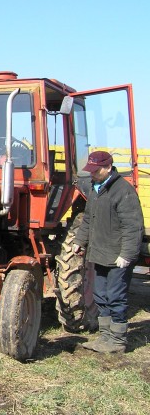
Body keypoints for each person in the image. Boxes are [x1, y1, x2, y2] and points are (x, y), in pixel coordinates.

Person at [72, 150, 144, 353]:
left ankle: (118, 340)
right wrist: (80, 241)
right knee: (100, 295)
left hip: (118, 255)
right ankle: (105, 337)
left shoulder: (123, 191)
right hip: (99, 253)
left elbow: (133, 227)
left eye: (95, 171)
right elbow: (88, 219)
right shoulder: (96, 190)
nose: (92, 175)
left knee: (115, 297)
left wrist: (127, 255)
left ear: (107, 167)